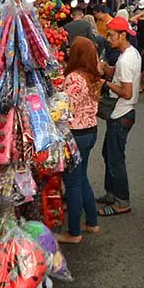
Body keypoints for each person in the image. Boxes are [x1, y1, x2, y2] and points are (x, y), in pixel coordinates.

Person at [55, 37, 102, 244]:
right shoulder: (94, 76)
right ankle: (92, 222)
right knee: (82, 177)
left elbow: (66, 108)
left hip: (76, 134)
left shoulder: (74, 78)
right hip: (90, 130)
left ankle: (74, 232)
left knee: (73, 182)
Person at [97, 16, 141, 216]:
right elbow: (118, 75)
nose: (108, 39)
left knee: (116, 159)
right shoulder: (131, 53)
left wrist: (105, 83)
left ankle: (122, 201)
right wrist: (107, 70)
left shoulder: (125, 60)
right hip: (123, 113)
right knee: (109, 153)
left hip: (121, 113)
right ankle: (111, 193)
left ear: (123, 35)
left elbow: (127, 92)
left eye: (111, 35)